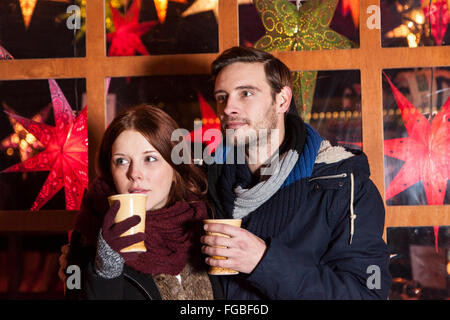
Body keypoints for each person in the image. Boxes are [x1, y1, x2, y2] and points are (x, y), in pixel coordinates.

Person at [199, 46, 392, 299]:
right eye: (222, 97)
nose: (228, 108)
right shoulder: (202, 184)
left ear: (282, 100)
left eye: (246, 93)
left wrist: (264, 262)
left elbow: (368, 293)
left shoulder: (346, 186)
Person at [62, 104, 223, 300]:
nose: (134, 174)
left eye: (150, 159)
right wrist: (106, 268)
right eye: (121, 161)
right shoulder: (87, 235)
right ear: (110, 172)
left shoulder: (206, 222)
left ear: (175, 169)